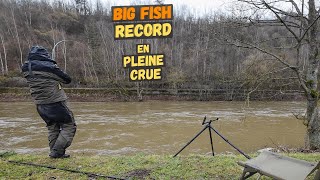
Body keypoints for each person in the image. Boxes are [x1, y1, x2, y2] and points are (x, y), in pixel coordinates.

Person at [21, 45, 77, 158]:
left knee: (52, 127)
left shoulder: (26, 68)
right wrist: (55, 67)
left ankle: (54, 153)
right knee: (69, 125)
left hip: (40, 104)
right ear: (45, 55)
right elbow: (67, 79)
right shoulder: (50, 67)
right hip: (56, 103)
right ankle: (57, 152)